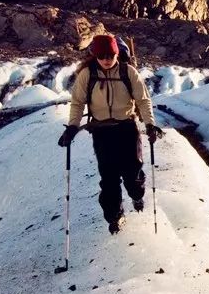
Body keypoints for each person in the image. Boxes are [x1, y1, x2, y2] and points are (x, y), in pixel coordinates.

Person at [57, 34, 164, 234]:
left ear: (117, 53)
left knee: (132, 173)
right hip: (101, 132)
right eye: (102, 56)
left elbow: (142, 99)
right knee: (109, 179)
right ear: (95, 56)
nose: (107, 60)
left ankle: (136, 194)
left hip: (127, 129)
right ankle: (115, 216)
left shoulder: (128, 72)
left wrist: (150, 124)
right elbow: (78, 102)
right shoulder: (87, 75)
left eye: (111, 55)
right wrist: (72, 127)